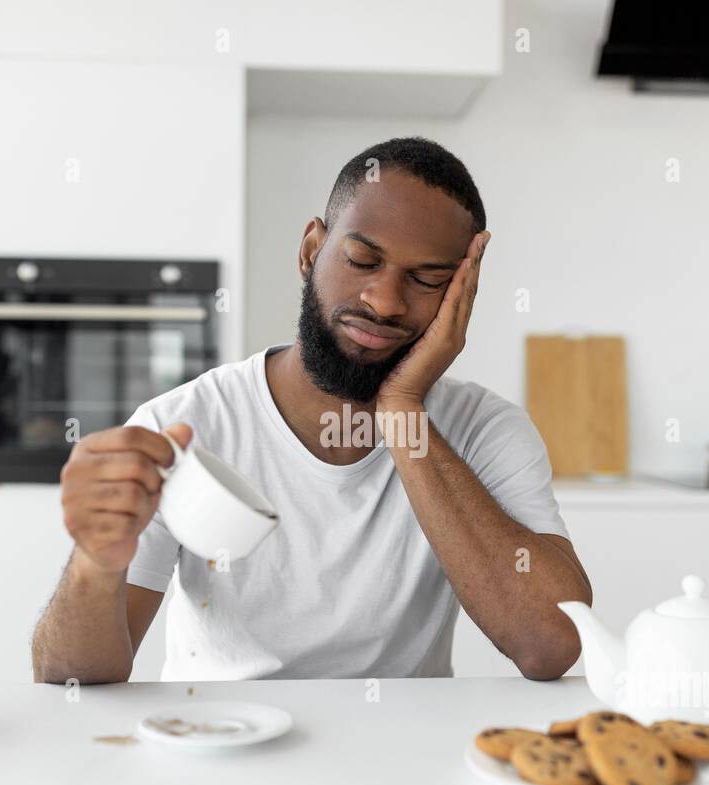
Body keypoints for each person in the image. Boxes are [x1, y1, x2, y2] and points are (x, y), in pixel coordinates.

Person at [32, 137, 592, 683]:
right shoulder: (180, 425)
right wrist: (94, 561)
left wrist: (400, 408)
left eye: (427, 280)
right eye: (361, 260)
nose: (385, 301)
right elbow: (73, 677)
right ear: (310, 250)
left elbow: (549, 645)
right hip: (216, 748)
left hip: (404, 758)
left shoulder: (485, 430)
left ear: (460, 295)